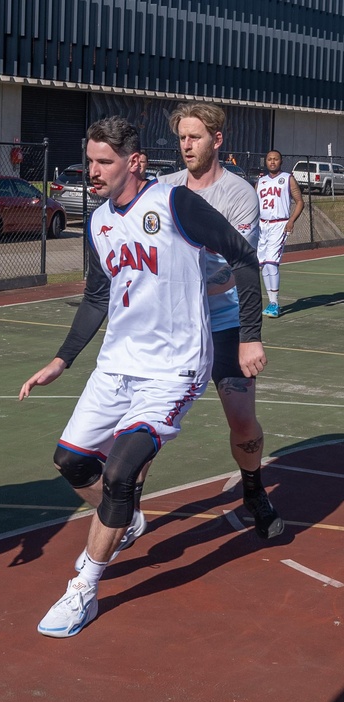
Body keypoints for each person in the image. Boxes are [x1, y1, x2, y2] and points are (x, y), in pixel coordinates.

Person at [19, 116, 265, 638]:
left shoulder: (173, 204)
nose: (92, 171)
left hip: (173, 368)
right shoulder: (98, 220)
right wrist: (61, 359)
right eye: (89, 161)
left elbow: (244, 257)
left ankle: (84, 587)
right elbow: (95, 297)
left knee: (121, 472)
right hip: (116, 365)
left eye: (103, 162)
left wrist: (248, 335)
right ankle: (126, 520)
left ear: (133, 162)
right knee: (71, 462)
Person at [154, 103, 284, 539]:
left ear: (217, 140)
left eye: (195, 137)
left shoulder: (238, 194)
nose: (186, 146)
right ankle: (125, 505)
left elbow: (231, 269)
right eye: (182, 138)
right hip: (175, 328)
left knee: (242, 421)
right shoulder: (166, 188)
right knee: (145, 422)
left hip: (225, 325)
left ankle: (253, 491)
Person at [255, 149, 304, 318]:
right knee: (263, 265)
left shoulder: (288, 179)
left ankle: (274, 303)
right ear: (266, 162)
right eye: (269, 159)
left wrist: (291, 221)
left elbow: (300, 202)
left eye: (276, 159)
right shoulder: (260, 181)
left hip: (279, 224)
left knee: (271, 263)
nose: (272, 162)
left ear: (281, 161)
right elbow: (254, 205)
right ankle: (272, 302)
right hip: (262, 226)